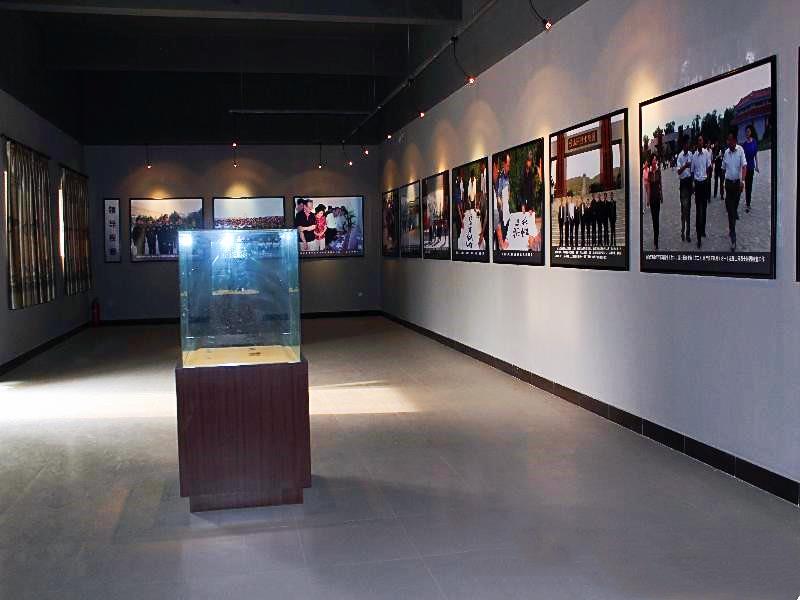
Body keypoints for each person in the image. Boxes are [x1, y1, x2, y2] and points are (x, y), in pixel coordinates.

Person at [722, 131, 747, 252]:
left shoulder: (740, 150)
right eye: (728, 140)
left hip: (737, 184)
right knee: (731, 211)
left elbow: (744, 166)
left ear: (735, 141)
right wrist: (722, 183)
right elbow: (723, 168)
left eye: (730, 140)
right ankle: (733, 236)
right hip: (728, 184)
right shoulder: (726, 153)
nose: (729, 142)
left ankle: (732, 224)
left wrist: (743, 181)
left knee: (734, 208)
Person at [690, 135, 712, 248]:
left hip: (704, 183)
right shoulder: (694, 156)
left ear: (703, 142)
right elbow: (692, 171)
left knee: (704, 208)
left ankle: (703, 229)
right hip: (698, 185)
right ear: (696, 143)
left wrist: (707, 177)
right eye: (698, 141)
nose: (700, 142)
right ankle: (698, 237)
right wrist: (693, 184)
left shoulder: (706, 153)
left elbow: (709, 166)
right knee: (699, 210)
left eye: (701, 140)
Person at [676, 136, 693, 242]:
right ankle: (682, 231)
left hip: (689, 183)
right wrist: (685, 166)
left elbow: (693, 169)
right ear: (683, 145)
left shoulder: (691, 154)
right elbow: (678, 171)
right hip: (683, 184)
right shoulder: (680, 156)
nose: (688, 145)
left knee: (688, 209)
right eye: (686, 143)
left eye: (688, 143)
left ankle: (688, 233)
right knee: (684, 209)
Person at [742, 124, 759, 213]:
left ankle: (748, 202)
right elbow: (743, 158)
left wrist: (757, 166)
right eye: (746, 132)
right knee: (747, 186)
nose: (747, 133)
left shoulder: (754, 142)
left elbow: (755, 155)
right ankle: (747, 203)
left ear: (751, 132)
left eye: (748, 131)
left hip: (752, 167)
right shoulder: (744, 145)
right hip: (746, 168)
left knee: (750, 186)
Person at [647, 155, 662, 249]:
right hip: (652, 198)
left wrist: (662, 196)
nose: (654, 162)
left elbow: (660, 184)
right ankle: (655, 238)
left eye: (655, 160)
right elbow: (648, 187)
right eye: (653, 160)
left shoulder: (658, 171)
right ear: (651, 162)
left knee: (657, 218)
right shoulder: (649, 174)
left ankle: (656, 237)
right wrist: (648, 199)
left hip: (657, 197)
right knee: (654, 219)